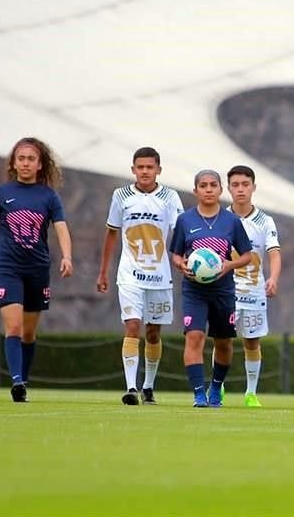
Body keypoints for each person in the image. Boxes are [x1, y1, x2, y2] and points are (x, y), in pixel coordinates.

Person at [0, 137, 73, 402]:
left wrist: (67, 257)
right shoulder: (1, 194)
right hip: (7, 268)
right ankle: (16, 382)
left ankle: (23, 381)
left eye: (31, 159)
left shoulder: (49, 196)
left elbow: (61, 228)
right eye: (21, 158)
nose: (25, 163)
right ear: (14, 163)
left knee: (28, 333)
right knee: (13, 327)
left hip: (37, 269)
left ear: (40, 165)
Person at [97, 147, 184, 405]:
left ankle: (148, 386)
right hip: (129, 274)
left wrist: (183, 259)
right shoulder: (121, 195)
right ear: (133, 169)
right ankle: (131, 387)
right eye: (140, 167)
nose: (145, 171)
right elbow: (112, 233)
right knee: (132, 325)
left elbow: (180, 233)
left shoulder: (170, 197)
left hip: (159, 275)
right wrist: (103, 271)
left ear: (159, 169)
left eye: (150, 167)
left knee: (154, 332)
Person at [169, 170, 252, 407]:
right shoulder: (185, 220)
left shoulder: (231, 221)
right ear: (195, 191)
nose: (208, 189)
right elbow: (175, 254)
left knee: (223, 342)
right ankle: (198, 394)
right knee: (194, 337)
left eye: (212, 185)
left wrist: (229, 265)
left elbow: (247, 255)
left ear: (220, 190)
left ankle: (216, 387)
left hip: (223, 290)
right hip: (194, 290)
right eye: (203, 185)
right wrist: (180, 264)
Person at [226, 165, 281, 408]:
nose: (240, 189)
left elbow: (274, 253)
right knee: (222, 339)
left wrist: (273, 278)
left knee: (252, 341)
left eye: (245, 185)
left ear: (253, 188)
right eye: (235, 185)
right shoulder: (220, 218)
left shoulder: (265, 221)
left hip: (254, 290)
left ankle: (250, 393)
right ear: (228, 188)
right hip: (225, 291)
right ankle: (218, 386)